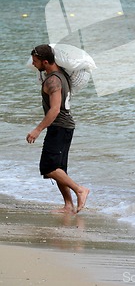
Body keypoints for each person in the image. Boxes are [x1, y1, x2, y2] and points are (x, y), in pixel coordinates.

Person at [26, 44, 89, 214]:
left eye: (36, 61)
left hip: (60, 126)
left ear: (45, 62)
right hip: (63, 126)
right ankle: (68, 205)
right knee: (59, 168)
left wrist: (37, 130)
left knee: (48, 167)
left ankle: (80, 190)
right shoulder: (62, 75)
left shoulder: (53, 80)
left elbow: (54, 110)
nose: (33, 64)